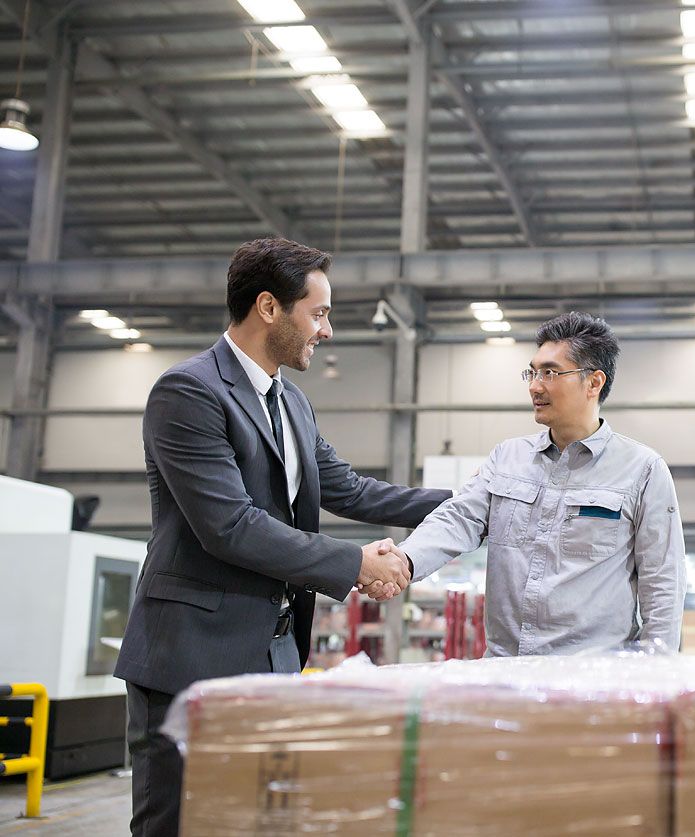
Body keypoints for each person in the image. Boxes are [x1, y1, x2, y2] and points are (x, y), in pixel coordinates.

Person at [115, 237, 452, 836]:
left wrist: (478, 503)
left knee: (249, 820)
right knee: (179, 822)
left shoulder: (290, 402)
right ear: (269, 307)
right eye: (317, 313)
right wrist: (354, 563)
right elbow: (230, 527)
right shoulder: (188, 392)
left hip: (273, 654)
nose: (326, 331)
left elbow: (349, 490)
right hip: (190, 655)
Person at [398, 311, 686, 656]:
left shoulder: (643, 470)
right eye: (532, 373)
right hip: (506, 671)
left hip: (594, 680)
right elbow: (457, 519)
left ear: (594, 382)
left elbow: (663, 583)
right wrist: (404, 561)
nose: (535, 386)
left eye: (550, 372)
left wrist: (654, 674)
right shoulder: (507, 458)